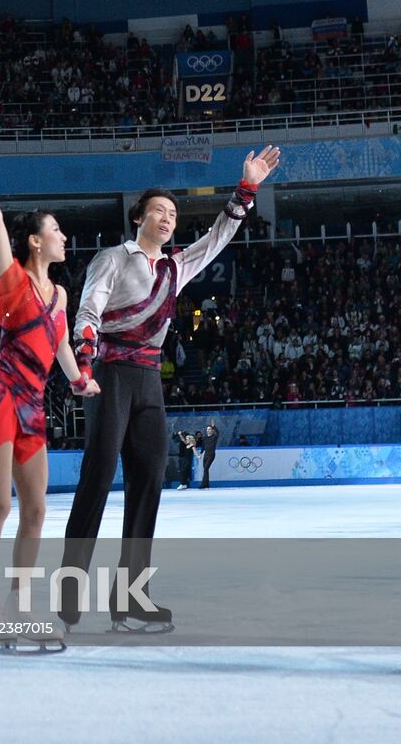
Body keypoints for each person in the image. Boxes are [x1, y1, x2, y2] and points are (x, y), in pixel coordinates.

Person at [60, 145, 281, 633]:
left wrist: (246, 189)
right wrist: (84, 366)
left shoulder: (177, 268)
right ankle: (71, 586)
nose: (167, 218)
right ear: (138, 216)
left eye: (173, 214)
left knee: (148, 486)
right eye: (158, 210)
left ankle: (130, 598)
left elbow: (218, 238)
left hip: (149, 383)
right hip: (110, 377)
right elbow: (89, 312)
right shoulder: (114, 258)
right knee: (96, 480)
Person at [0, 131, 101, 650]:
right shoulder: (12, 278)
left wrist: (79, 378)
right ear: (35, 240)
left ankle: (17, 603)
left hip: (34, 405)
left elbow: (58, 345)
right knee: (0, 509)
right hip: (0, 399)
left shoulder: (60, 294)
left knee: (35, 511)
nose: (63, 236)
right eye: (55, 230)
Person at [200, 424, 219, 488]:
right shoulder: (205, 437)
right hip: (206, 455)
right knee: (205, 469)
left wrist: (214, 427)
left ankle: (203, 484)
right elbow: (203, 446)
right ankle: (206, 484)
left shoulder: (214, 437)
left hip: (211, 455)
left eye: (210, 429)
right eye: (207, 429)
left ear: (212, 430)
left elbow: (218, 433)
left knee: (205, 468)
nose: (208, 430)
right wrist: (201, 453)